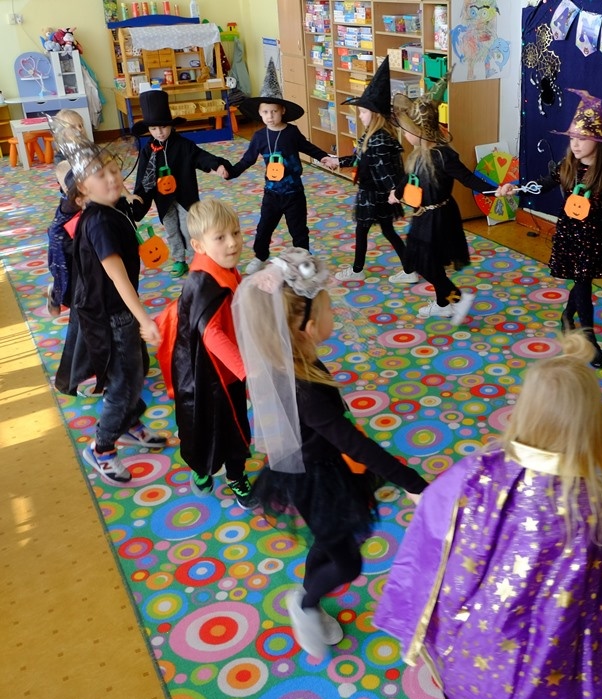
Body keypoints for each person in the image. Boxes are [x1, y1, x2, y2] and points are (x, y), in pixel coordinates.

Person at [375, 331, 602, 699]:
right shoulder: (595, 506)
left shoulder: (477, 471)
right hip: (545, 669)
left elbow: (432, 522)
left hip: (473, 651)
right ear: (591, 426)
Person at [231, 248, 429, 659]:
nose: (333, 313)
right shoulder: (305, 387)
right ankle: (305, 603)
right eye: (327, 308)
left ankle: (310, 596)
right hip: (316, 478)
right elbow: (351, 440)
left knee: (328, 541)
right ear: (306, 327)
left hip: (322, 467)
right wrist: (412, 484)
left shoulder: (297, 362)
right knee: (348, 563)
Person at [53, 125, 169, 484]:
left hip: (114, 310)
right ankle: (102, 448)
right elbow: (118, 278)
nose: (112, 177)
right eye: (101, 175)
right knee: (124, 381)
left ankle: (130, 422)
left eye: (114, 170)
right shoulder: (99, 222)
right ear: (82, 190)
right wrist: (145, 320)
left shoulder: (114, 207)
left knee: (130, 374)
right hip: (110, 315)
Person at [502, 88, 602, 368]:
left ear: (597, 140)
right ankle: (589, 338)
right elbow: (543, 185)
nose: (575, 144)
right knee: (582, 283)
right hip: (570, 234)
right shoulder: (567, 165)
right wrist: (516, 188)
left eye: (582, 138)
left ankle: (569, 316)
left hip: (595, 236)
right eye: (572, 138)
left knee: (582, 282)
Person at [154, 198, 257, 509]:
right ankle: (201, 468)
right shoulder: (204, 282)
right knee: (200, 424)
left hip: (227, 372)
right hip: (203, 374)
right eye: (220, 237)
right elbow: (212, 335)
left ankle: (236, 474)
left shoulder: (223, 268)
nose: (233, 243)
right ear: (198, 245)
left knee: (236, 425)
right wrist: (247, 370)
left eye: (236, 233)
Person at [388, 76, 501, 326]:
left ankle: (456, 298)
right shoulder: (418, 154)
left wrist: (495, 191)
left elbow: (469, 179)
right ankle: (442, 305)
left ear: (420, 131)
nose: (405, 135)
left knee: (424, 263)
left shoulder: (443, 156)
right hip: (423, 214)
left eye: (407, 131)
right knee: (427, 260)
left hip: (439, 217)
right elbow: (408, 178)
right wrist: (396, 192)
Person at [223, 67, 340, 275]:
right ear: (259, 113)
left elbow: (308, 147)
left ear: (282, 111)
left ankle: (304, 261)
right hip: (272, 193)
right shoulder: (259, 137)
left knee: (299, 230)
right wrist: (231, 172)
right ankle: (260, 256)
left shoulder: (291, 132)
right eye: (265, 112)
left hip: (294, 193)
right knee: (264, 228)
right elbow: (247, 160)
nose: (270, 116)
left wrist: (324, 157)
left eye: (274, 111)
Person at [130, 89, 232, 278]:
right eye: (153, 129)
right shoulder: (147, 152)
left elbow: (200, 156)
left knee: (188, 229)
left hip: (185, 196)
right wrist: (137, 202)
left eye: (163, 127)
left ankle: (196, 259)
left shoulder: (183, 145)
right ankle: (179, 259)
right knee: (171, 230)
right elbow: (143, 179)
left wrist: (217, 165)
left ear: (171, 124)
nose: (159, 132)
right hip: (163, 200)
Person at [333, 58, 414, 285]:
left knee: (364, 230)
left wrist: (395, 191)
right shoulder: (371, 135)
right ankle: (409, 269)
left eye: (362, 112)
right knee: (386, 230)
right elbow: (359, 158)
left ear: (375, 114)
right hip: (375, 194)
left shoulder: (379, 140)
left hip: (375, 196)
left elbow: (386, 172)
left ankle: (358, 269)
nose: (359, 116)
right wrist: (337, 161)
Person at [45, 160, 84, 317]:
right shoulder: (70, 202)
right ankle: (54, 298)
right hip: (62, 245)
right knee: (64, 278)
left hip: (71, 241)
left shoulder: (73, 196)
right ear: (63, 186)